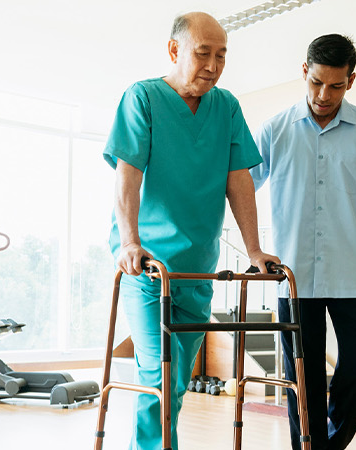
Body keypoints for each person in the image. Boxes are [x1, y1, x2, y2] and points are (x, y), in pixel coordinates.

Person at [105, 11, 278, 450]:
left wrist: (254, 250)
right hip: (147, 266)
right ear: (174, 50)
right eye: (203, 53)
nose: (213, 65)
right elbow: (128, 176)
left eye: (222, 56)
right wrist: (129, 242)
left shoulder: (226, 107)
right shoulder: (142, 98)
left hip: (198, 269)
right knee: (157, 372)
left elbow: (238, 179)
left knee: (177, 379)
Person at [250, 33, 356, 450]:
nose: (324, 95)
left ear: (351, 81)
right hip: (294, 277)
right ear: (305, 73)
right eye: (316, 82)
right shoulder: (274, 130)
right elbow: (239, 187)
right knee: (301, 379)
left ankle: (327, 446)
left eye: (336, 85)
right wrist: (252, 247)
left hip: (354, 274)